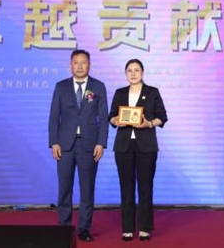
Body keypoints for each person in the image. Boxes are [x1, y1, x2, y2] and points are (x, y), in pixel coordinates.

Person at [48, 49, 109, 242]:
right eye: (76, 62)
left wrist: (101, 143)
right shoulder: (61, 87)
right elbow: (54, 117)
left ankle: (84, 229)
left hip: (89, 145)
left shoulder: (98, 86)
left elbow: (104, 119)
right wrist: (54, 142)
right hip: (65, 146)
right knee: (64, 188)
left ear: (89, 65)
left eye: (83, 62)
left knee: (87, 189)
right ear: (70, 65)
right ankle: (64, 228)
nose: (80, 66)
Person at [109, 59, 168, 242]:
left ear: (142, 72)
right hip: (123, 146)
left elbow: (162, 116)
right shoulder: (120, 93)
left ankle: (144, 228)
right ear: (125, 73)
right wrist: (116, 121)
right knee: (126, 187)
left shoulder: (152, 92)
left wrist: (148, 123)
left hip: (146, 146)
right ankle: (127, 229)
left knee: (145, 187)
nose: (133, 74)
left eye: (136, 70)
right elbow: (111, 116)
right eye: (129, 70)